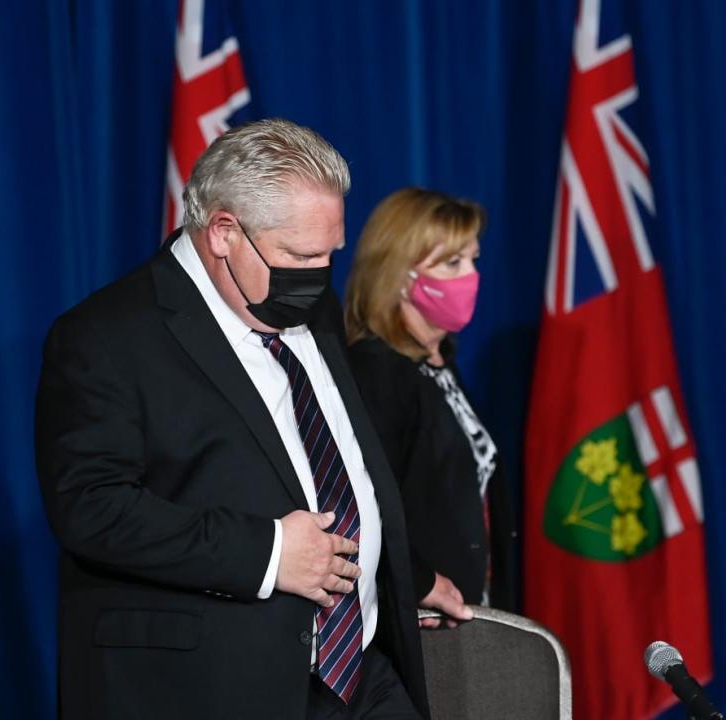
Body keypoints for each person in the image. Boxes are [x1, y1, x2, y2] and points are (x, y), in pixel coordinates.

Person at [35, 120, 431, 720]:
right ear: (223, 232)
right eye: (301, 255)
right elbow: (92, 508)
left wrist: (408, 574)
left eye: (330, 255)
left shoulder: (306, 301)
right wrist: (269, 553)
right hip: (212, 689)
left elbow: (336, 459)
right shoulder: (105, 337)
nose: (321, 276)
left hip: (361, 675)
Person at [344, 188, 517, 621]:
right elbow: (362, 507)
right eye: (453, 263)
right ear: (400, 275)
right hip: (420, 626)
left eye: (474, 259)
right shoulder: (378, 372)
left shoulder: (439, 366)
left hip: (473, 616)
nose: (471, 276)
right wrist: (418, 582)